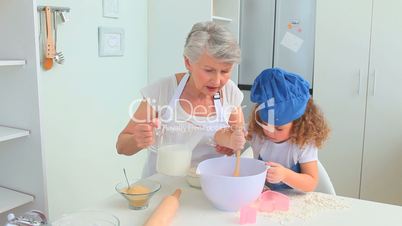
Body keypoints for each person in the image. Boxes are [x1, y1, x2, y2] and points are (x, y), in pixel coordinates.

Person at [116, 21, 246, 177]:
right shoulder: (163, 90)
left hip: (209, 188)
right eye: (209, 70)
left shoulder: (230, 92)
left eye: (225, 71)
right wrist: (137, 139)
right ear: (188, 63)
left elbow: (237, 139)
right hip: (163, 188)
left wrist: (231, 145)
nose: (217, 81)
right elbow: (121, 146)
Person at [246, 68, 330, 192]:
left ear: (298, 124)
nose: (269, 131)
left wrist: (285, 175)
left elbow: (311, 183)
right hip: (265, 199)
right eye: (265, 124)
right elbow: (229, 134)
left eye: (279, 128)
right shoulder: (258, 132)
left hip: (295, 201)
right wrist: (233, 136)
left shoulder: (303, 143)